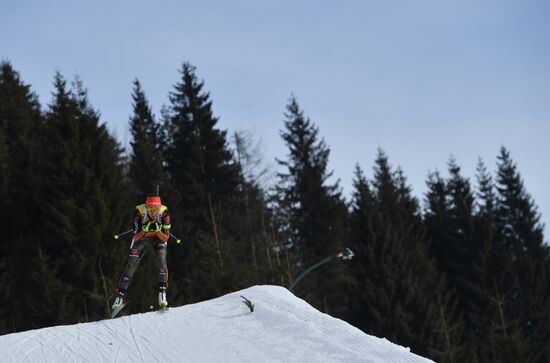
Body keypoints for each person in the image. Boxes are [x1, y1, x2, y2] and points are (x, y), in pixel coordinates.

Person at [112, 194, 171, 311]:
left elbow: (165, 238)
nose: (153, 213)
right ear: (146, 207)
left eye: (156, 210)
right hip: (142, 239)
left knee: (161, 259)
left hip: (158, 239)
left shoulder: (164, 214)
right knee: (131, 265)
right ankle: (119, 296)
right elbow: (136, 236)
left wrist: (158, 232)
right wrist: (145, 230)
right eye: (151, 209)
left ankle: (162, 293)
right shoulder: (139, 212)